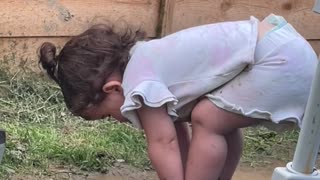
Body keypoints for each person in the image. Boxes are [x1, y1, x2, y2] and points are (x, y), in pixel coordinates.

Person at [38, 14, 318, 180]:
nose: (117, 120)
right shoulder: (145, 57)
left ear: (112, 88)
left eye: (108, 115)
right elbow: (176, 131)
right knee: (216, 118)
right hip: (284, 48)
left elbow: (164, 142)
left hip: (279, 61)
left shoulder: (138, 83)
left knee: (207, 117)